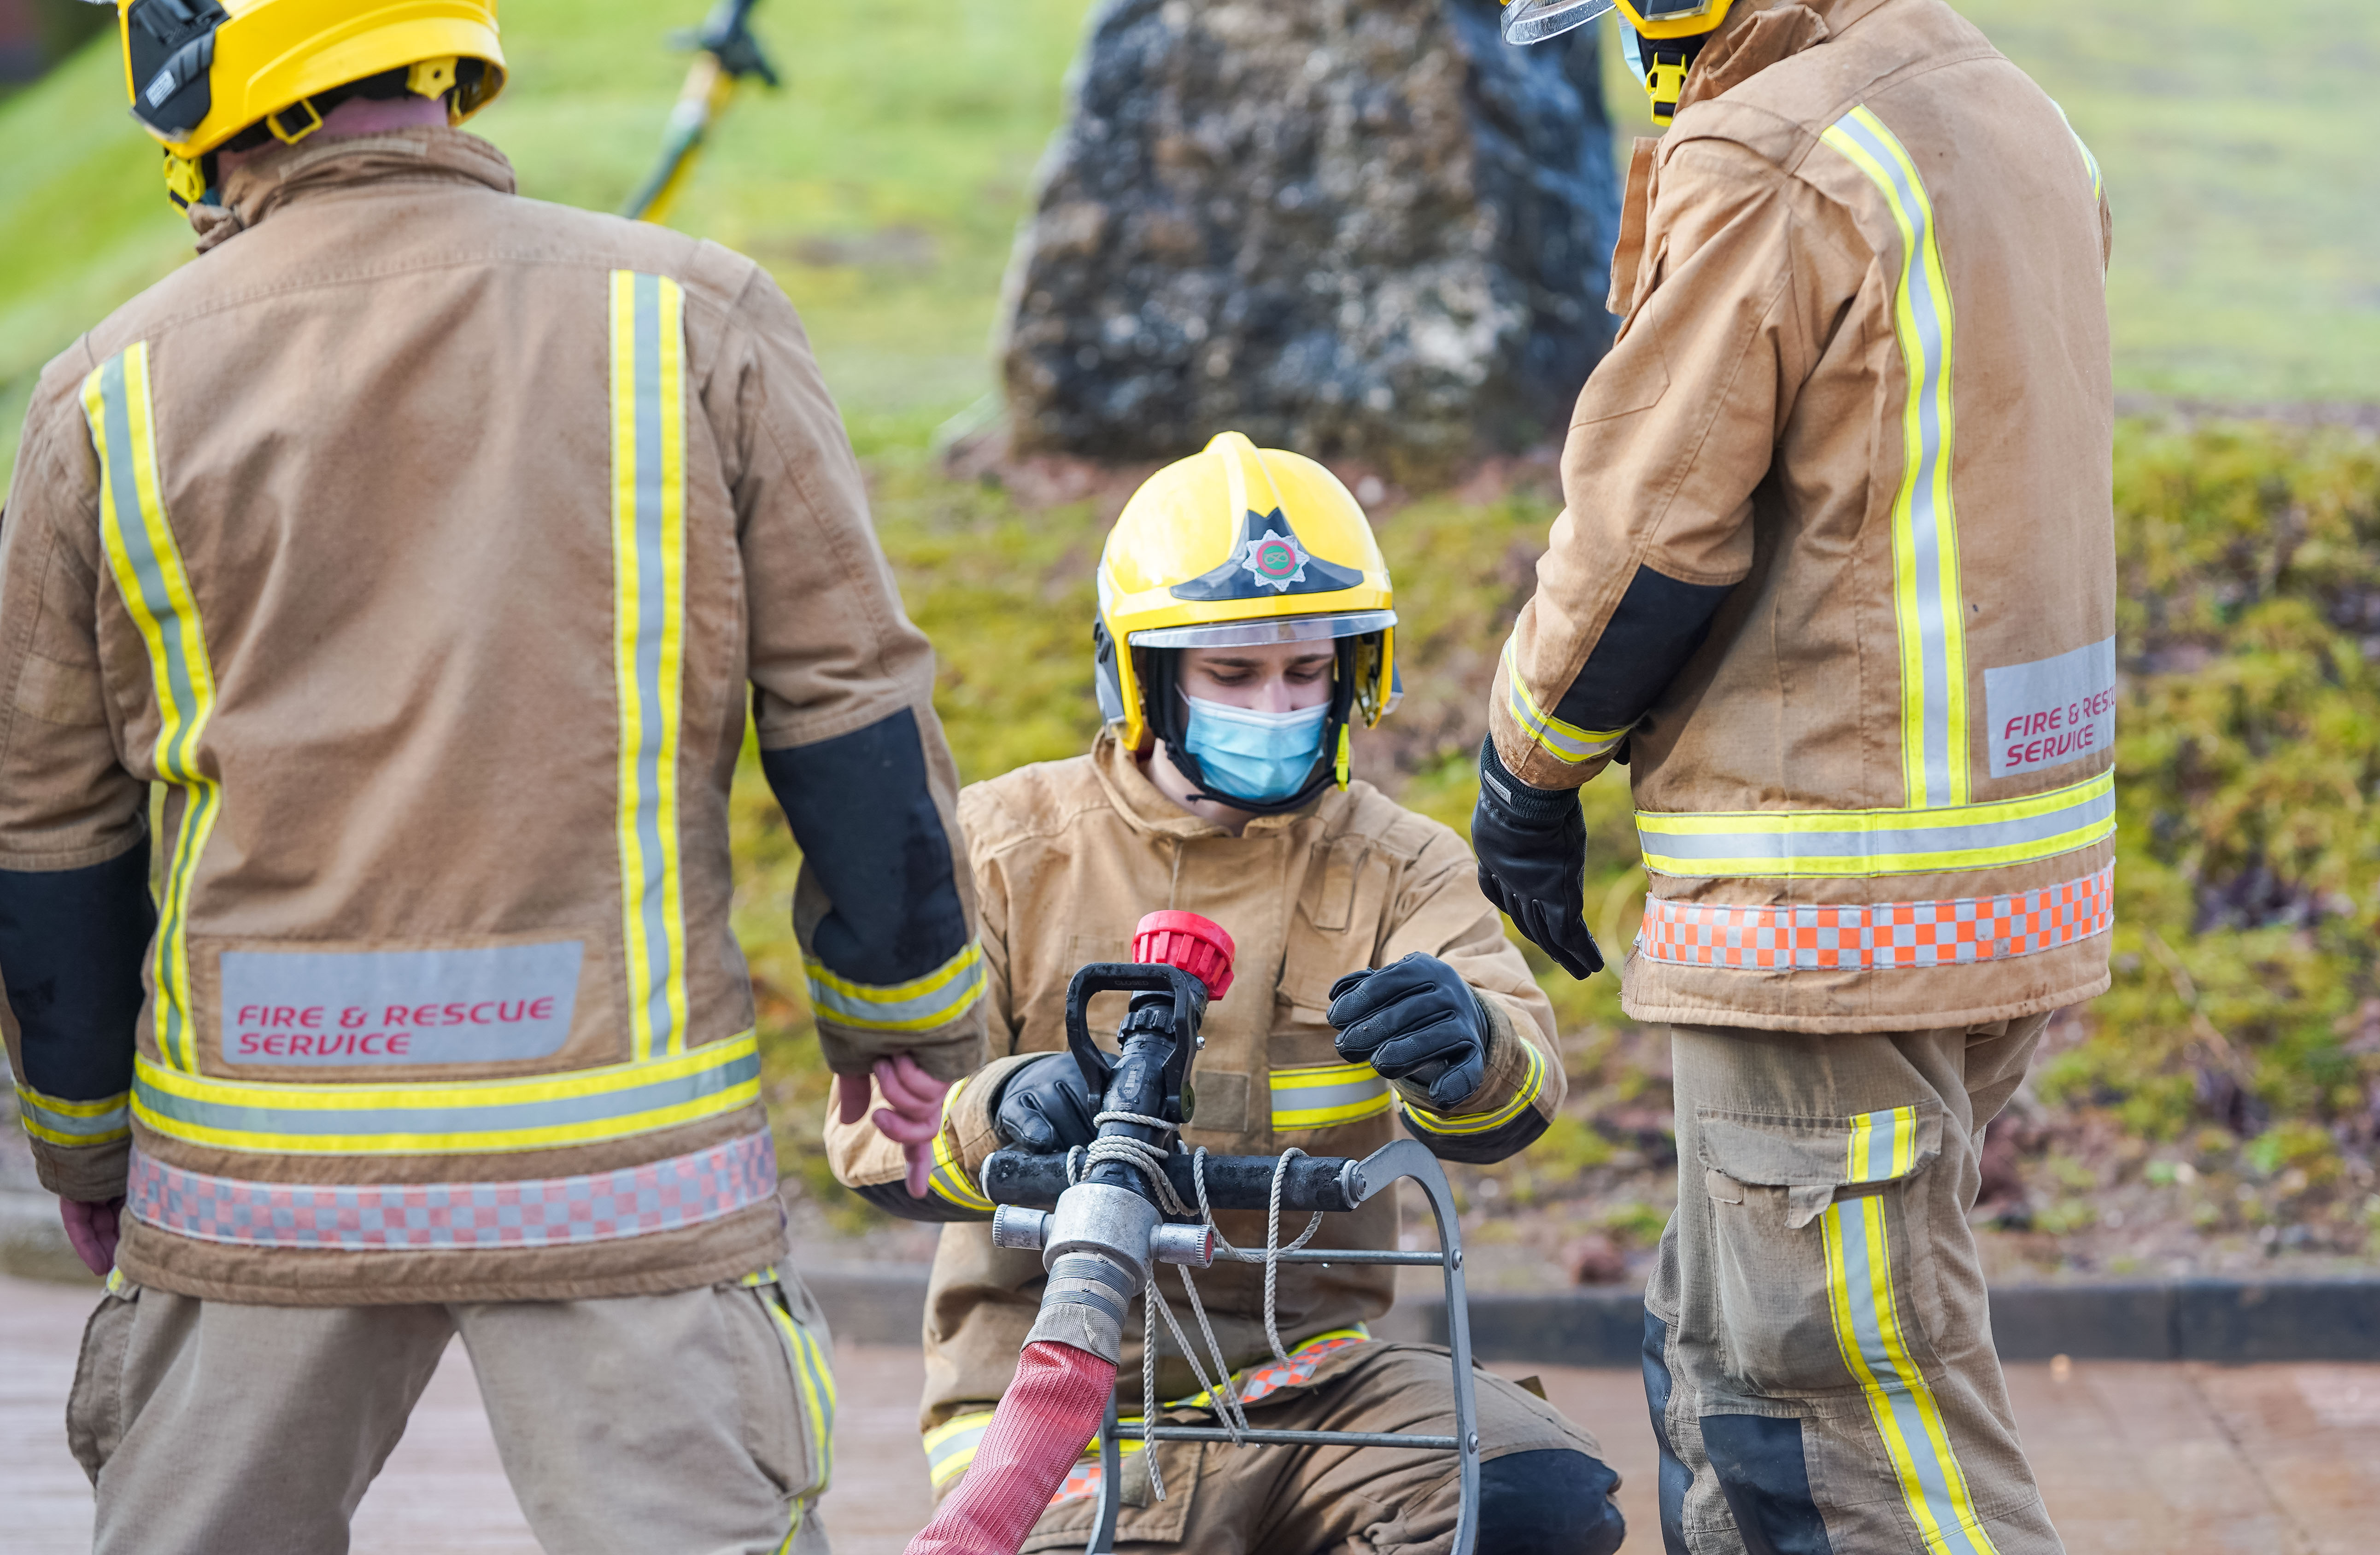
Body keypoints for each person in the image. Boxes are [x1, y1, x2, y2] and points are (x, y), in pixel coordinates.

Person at [0, 4, 986, 1550]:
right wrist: (904, 1020)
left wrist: (81, 1138)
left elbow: (51, 824)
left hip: (260, 1182)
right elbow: (849, 709)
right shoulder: (695, 318)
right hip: (625, 1174)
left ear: (193, 90)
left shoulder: (107, 393)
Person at [1477, 0, 2116, 1551]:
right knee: (1730, 1372)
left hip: (1826, 901)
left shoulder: (1774, 149)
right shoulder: (2004, 105)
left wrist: (1526, 770)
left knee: (1826, 1415)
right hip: (1997, 876)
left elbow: (1649, 529)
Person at [825, 431, 1626, 1555]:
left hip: (1318, 1382)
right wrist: (996, 1110)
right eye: (1234, 675)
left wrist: (1470, 1047)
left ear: (1355, 673)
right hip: (1064, 1399)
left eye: (1306, 672)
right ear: (1142, 677)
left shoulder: (1403, 865)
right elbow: (873, 1139)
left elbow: (1522, 1087)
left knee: (1537, 1501)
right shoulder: (1003, 851)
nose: (1278, 705)